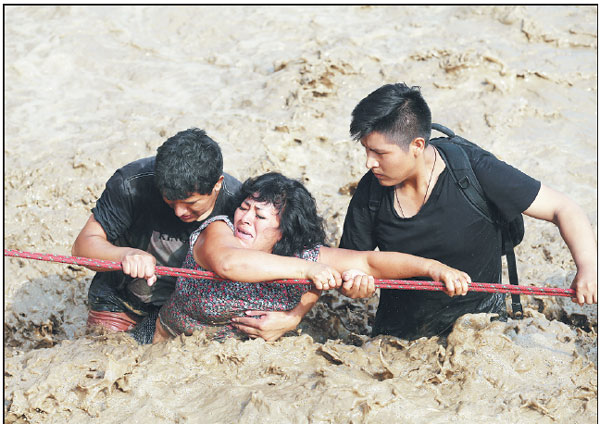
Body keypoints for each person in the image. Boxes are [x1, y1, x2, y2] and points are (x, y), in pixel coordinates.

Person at [338, 82, 598, 340]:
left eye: (379, 153)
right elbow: (347, 265)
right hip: (399, 336)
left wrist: (588, 267)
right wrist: (354, 287)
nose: (369, 162)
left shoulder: (473, 170)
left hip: (481, 327)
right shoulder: (370, 192)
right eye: (366, 150)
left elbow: (563, 208)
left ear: (417, 145)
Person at [152, 172, 473, 343]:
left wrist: (434, 268)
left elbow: (370, 263)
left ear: (283, 233)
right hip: (169, 345)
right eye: (244, 208)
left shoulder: (300, 253)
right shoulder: (217, 231)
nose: (244, 219)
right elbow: (230, 265)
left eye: (260, 217)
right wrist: (310, 270)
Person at [72, 128, 241, 332]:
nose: (179, 211)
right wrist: (126, 255)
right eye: (170, 201)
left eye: (190, 203)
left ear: (217, 185)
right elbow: (82, 248)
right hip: (123, 299)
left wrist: (288, 317)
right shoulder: (130, 184)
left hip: (193, 308)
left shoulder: (240, 204)